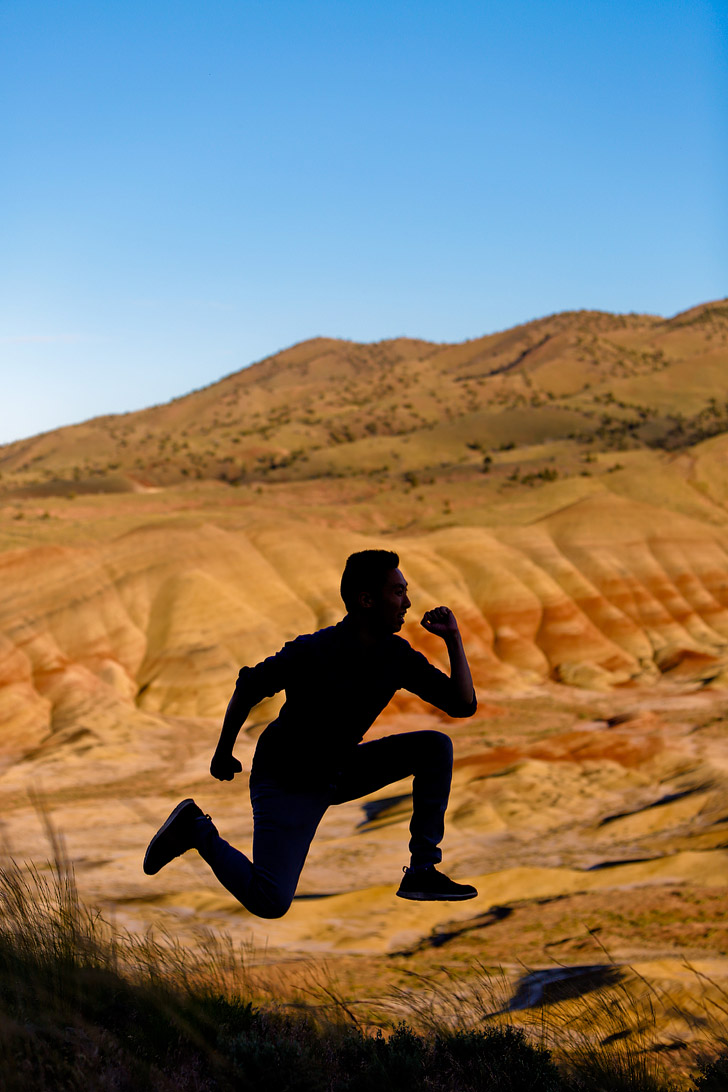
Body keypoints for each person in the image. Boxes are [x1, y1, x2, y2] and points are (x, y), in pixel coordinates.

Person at [143, 549, 479, 917]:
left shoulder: (396, 656)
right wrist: (223, 753)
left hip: (339, 770)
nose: (408, 602)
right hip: (287, 780)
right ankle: (195, 829)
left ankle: (422, 871)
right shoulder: (314, 650)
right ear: (366, 600)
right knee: (270, 901)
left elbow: (462, 705)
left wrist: (453, 639)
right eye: (398, 592)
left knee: (435, 747)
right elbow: (249, 686)